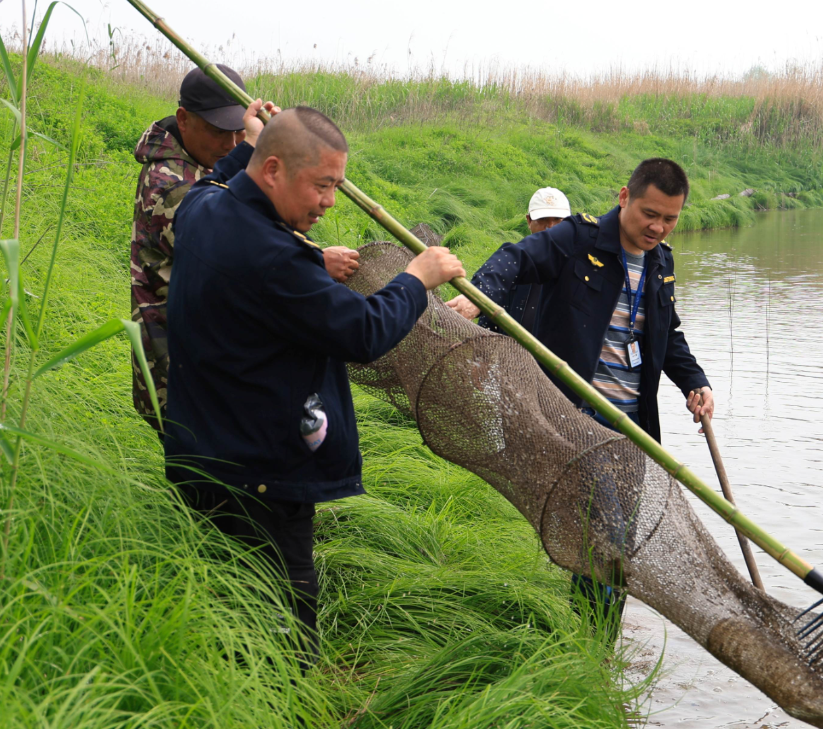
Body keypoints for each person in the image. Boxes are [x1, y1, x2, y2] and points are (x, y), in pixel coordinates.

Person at [164, 102, 466, 670]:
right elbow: (364, 332)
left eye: (337, 186)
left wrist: (251, 140)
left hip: (199, 447)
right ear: (273, 171)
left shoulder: (202, 209)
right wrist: (417, 278)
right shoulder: (275, 259)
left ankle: (222, 689)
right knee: (285, 611)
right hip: (259, 471)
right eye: (322, 185)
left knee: (226, 593)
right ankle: (287, 702)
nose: (329, 202)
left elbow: (217, 180)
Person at [447, 158, 713, 625]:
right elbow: (517, 257)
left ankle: (594, 645)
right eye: (650, 213)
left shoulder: (661, 263)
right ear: (624, 197)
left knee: (618, 541)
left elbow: (667, 335)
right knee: (606, 536)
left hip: (632, 429)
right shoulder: (578, 239)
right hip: (574, 419)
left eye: (670, 218)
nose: (658, 227)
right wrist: (478, 294)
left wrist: (695, 383)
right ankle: (590, 641)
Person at [130, 64, 359, 430]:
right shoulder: (167, 184)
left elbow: (243, 202)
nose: (230, 143)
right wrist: (316, 259)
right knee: (202, 468)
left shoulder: (201, 164)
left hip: (213, 347)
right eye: (218, 131)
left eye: (239, 131)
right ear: (183, 119)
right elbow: (232, 242)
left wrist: (278, 145)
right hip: (175, 355)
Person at [478, 187, 571, 334]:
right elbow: (487, 323)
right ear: (529, 221)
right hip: (509, 352)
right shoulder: (510, 264)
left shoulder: (578, 269)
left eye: (558, 220)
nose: (550, 228)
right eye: (542, 220)